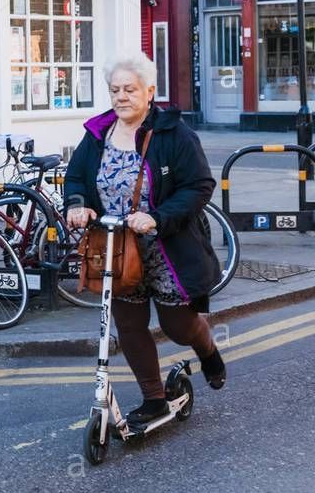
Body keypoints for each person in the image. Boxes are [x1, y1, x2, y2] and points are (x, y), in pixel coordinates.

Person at [64, 51, 226, 427]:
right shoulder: (97, 134)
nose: (121, 97)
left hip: (167, 248)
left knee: (177, 326)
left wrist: (156, 217)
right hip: (117, 250)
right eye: (114, 89)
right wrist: (77, 205)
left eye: (130, 89)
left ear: (149, 91)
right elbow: (76, 178)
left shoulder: (174, 134)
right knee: (130, 325)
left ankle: (207, 350)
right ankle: (154, 399)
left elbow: (199, 185)